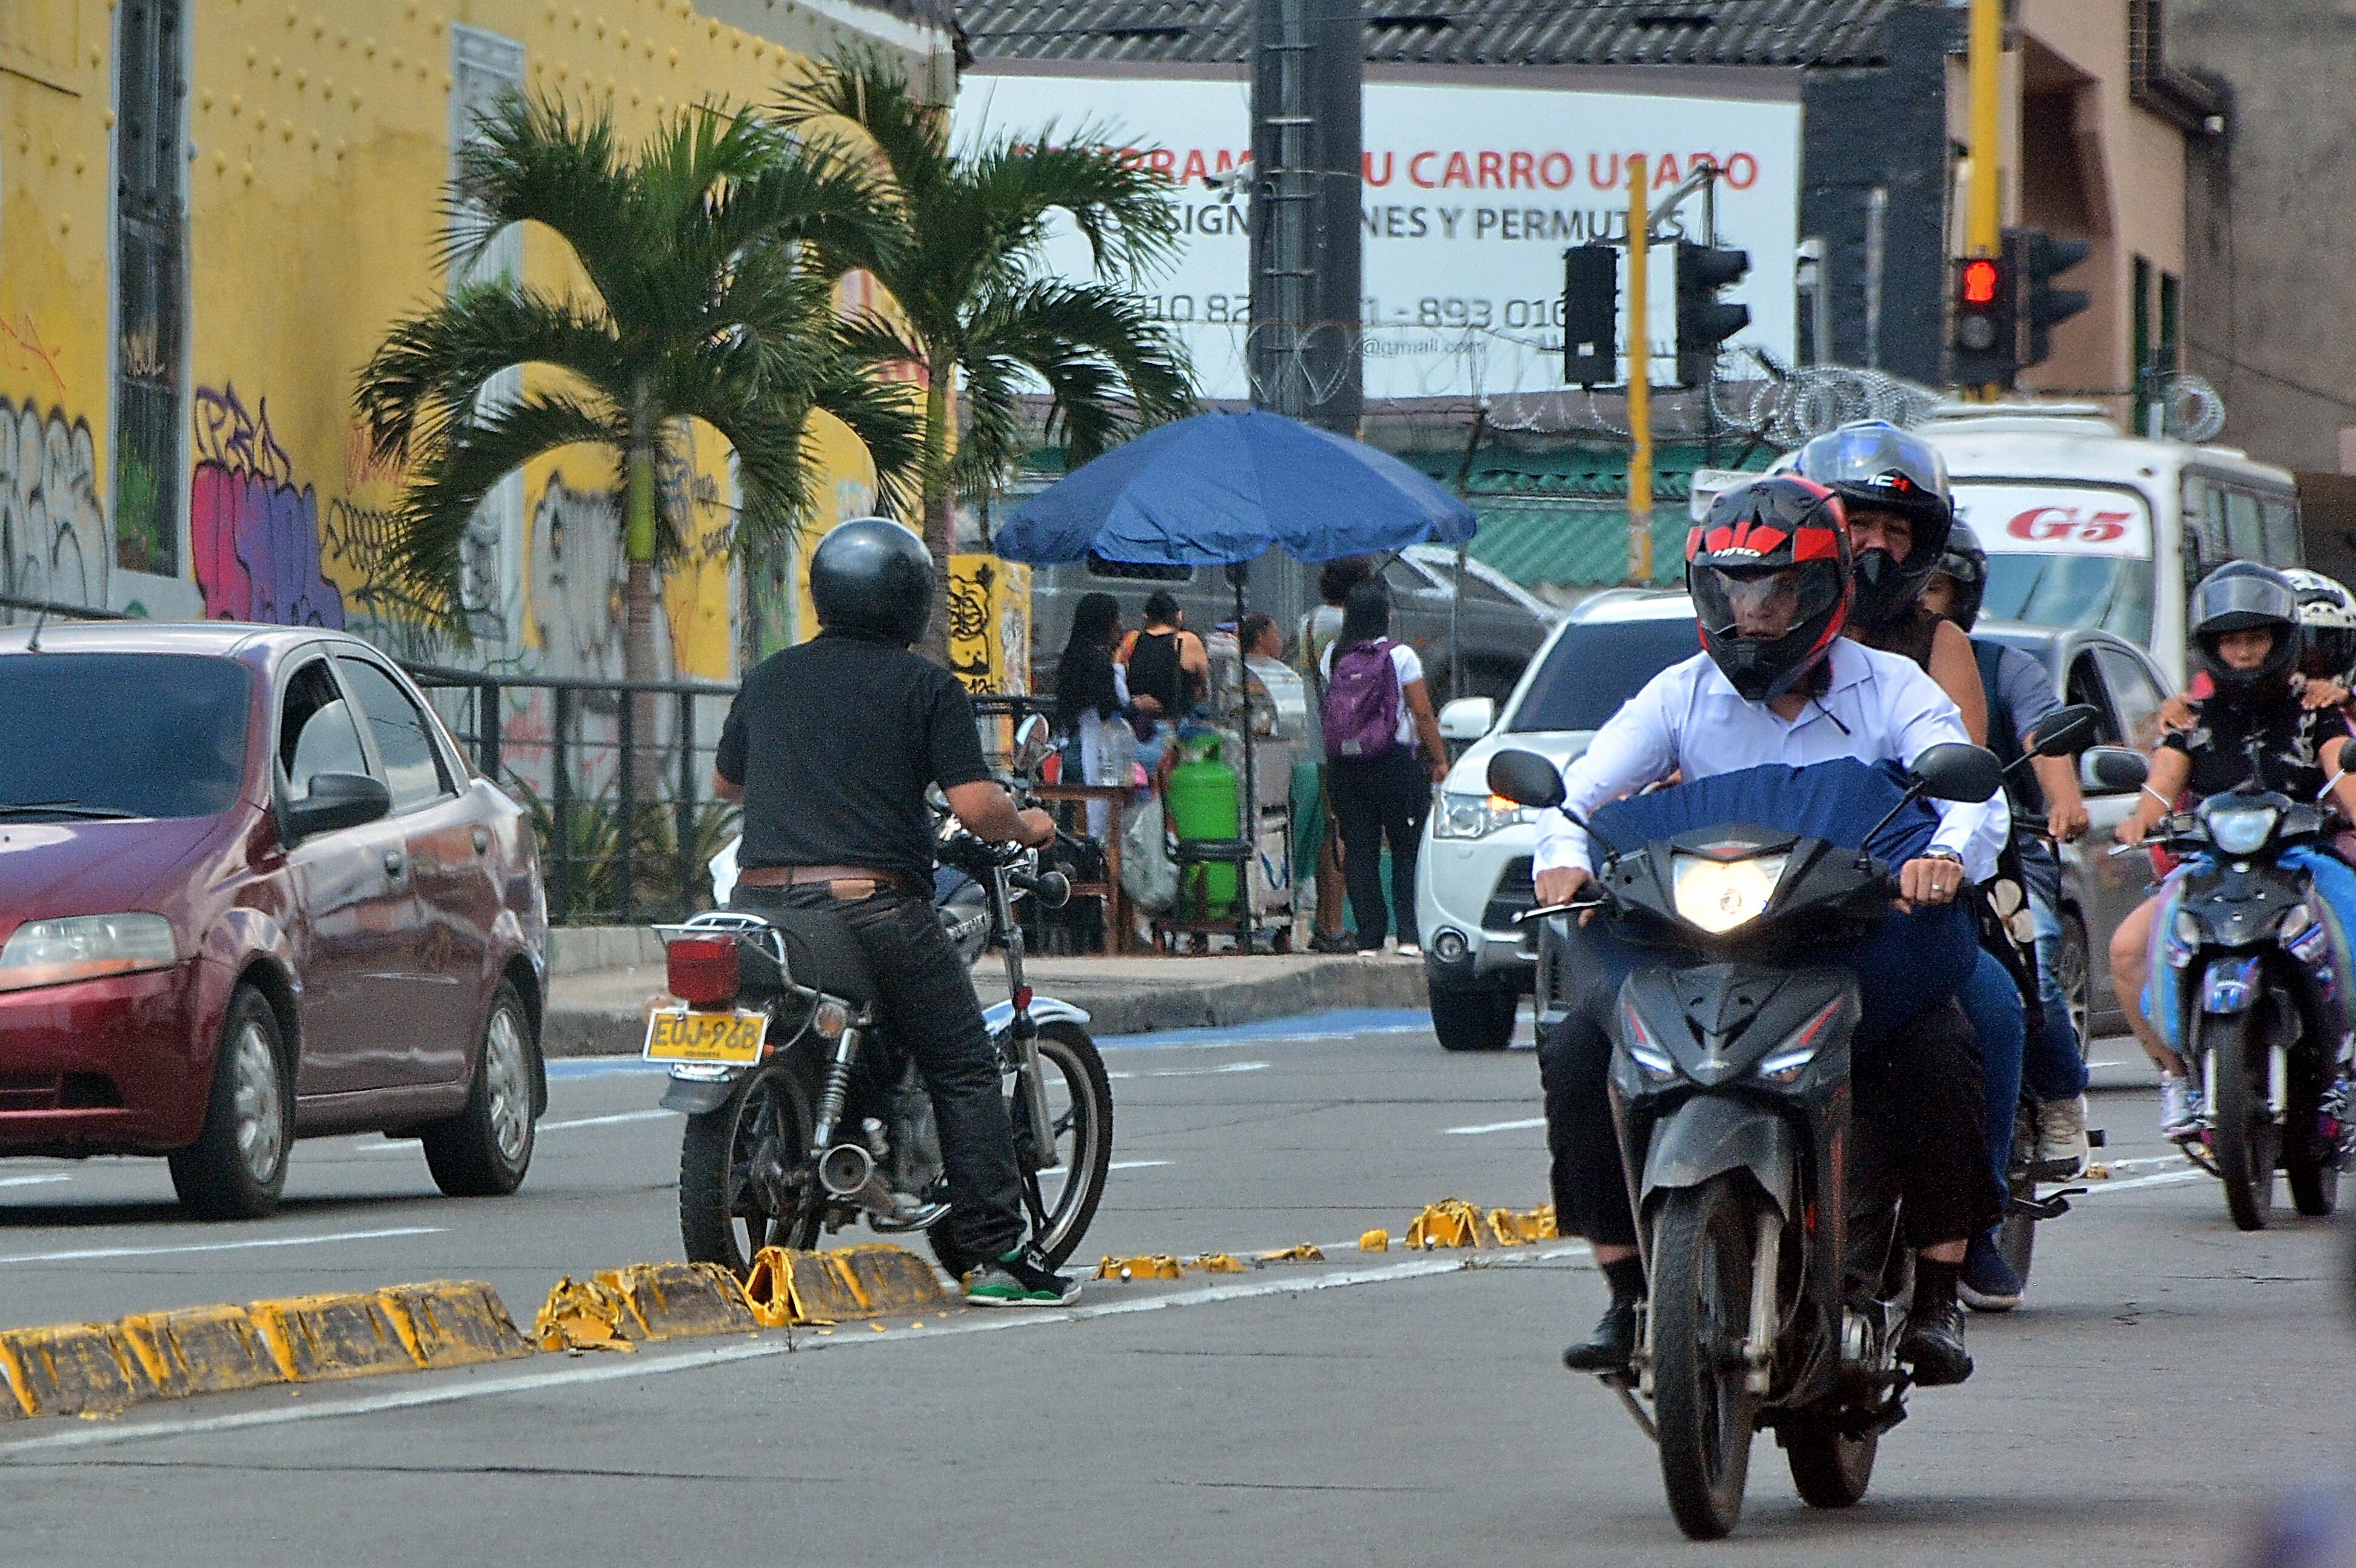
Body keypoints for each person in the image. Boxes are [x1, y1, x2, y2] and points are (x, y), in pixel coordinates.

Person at [1536, 476, 2005, 1386]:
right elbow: (1578, 793)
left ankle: (1942, 1292)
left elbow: (1968, 795)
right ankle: (1627, 1289)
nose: (1750, 615)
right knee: (1571, 1050)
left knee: (1945, 1041)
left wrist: (1941, 858)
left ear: (1824, 590)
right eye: (1731, 593)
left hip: (1850, 936)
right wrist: (1561, 855)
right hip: (1701, 942)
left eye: (1774, 592)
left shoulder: (1892, 686)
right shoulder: (1677, 694)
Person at [711, 517, 1076, 1308]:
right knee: (963, 1060)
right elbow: (978, 807)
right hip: (869, 908)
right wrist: (1031, 826)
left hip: (760, 906)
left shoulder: (769, 677)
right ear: (911, 599)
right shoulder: (925, 687)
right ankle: (992, 1257)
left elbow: (728, 784)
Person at [1792, 425, 2032, 1311]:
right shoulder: (1759, 624)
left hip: (1898, 888)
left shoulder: (1937, 645)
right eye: (1859, 519)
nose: (1876, 543)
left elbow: (1964, 772)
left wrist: (1932, 860)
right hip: (1772, 885)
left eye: (1898, 529)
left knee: (1995, 1012)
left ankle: (1973, 1224)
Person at [2109, 563, 2356, 1141]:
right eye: (2231, 640)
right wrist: (2136, 824)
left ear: (2281, 640)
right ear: (2211, 646)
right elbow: (2157, 793)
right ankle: (2179, 1079)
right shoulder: (2188, 720)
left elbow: (2343, 776)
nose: (2244, 652)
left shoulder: (2316, 711)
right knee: (2126, 949)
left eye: (2256, 638)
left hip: (2305, 862)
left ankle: (2342, 1066)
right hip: (2210, 868)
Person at [1925, 521, 2096, 1185]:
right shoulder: (1854, 664)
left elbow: (2044, 738)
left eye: (1933, 587)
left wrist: (2062, 800)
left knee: (2036, 954)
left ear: (1961, 595)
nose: (1919, 598)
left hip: (2009, 845)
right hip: (1890, 845)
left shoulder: (2004, 666)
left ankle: (2059, 1094)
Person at [1320, 581, 1449, 955]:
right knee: (1406, 846)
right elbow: (1422, 712)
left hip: (1345, 764)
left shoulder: (1334, 654)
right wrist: (1439, 759)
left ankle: (1369, 938)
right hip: (1394, 762)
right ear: (1385, 617)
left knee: (1359, 848)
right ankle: (1408, 935)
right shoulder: (1401, 655)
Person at [1300, 558, 1376, 953]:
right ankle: (1331, 925)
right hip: (1343, 743)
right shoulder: (1339, 626)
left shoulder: (1309, 620)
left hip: (1320, 739)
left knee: (1332, 832)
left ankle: (1326, 922)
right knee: (1342, 836)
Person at [1054, 592, 1141, 841]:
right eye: (1116, 619)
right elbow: (1109, 708)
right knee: (1099, 818)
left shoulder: (1073, 657)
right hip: (1096, 749)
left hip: (1072, 747)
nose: (1120, 626)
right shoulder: (1097, 664)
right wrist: (1136, 706)